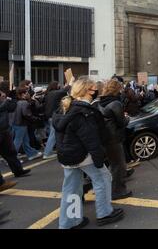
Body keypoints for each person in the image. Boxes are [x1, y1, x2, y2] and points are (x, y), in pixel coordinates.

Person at [54, 78, 124, 229]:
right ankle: (105, 213)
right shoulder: (85, 111)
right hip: (83, 155)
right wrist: (99, 159)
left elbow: (59, 134)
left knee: (71, 188)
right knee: (103, 178)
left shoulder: (66, 107)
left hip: (67, 156)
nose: (96, 91)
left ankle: (70, 222)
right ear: (87, 91)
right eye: (93, 88)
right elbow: (90, 138)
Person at [96, 79, 132, 200]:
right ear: (117, 89)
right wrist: (127, 118)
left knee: (111, 165)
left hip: (105, 137)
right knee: (119, 166)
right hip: (114, 138)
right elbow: (121, 122)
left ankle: (109, 189)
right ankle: (118, 191)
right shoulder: (116, 103)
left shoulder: (101, 101)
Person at [0, 82, 31, 179]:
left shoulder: (4, 98)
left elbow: (12, 108)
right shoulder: (3, 100)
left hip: (4, 129)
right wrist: (5, 100)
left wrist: (12, 98)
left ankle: (18, 171)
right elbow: (2, 108)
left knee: (11, 152)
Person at [42, 81, 71, 159]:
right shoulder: (55, 93)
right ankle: (47, 153)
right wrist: (69, 84)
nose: (59, 86)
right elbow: (63, 91)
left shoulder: (48, 94)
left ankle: (49, 151)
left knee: (52, 134)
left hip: (49, 116)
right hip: (54, 116)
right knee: (53, 135)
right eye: (58, 85)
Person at [11, 88, 42, 161]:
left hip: (16, 123)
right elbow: (26, 114)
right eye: (26, 93)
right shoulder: (24, 103)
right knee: (18, 141)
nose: (28, 94)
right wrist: (35, 118)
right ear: (23, 94)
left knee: (25, 140)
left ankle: (32, 154)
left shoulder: (15, 102)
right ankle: (12, 158)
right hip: (21, 124)